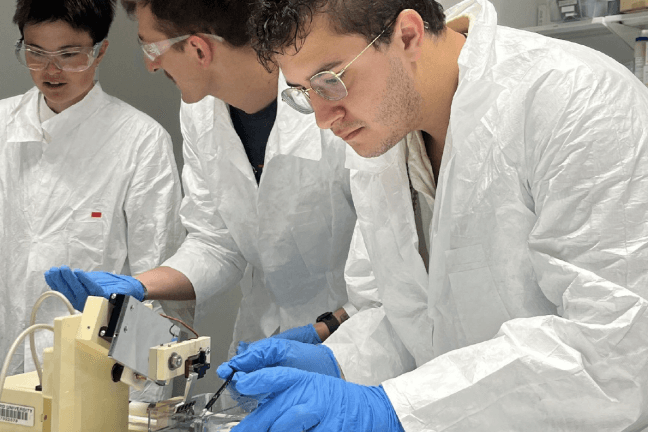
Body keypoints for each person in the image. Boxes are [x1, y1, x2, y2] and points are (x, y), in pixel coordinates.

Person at [217, 0, 648, 430]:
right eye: (304, 94)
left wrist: (389, 408)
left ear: (407, 35)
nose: (324, 121)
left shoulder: (578, 101)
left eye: (330, 81)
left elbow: (613, 351)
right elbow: (411, 315)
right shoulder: (382, 135)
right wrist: (340, 360)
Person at [45, 0, 367, 363]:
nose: (151, 65)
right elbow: (216, 243)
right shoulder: (199, 110)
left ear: (199, 48)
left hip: (361, 341)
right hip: (262, 336)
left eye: (152, 48)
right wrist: (140, 286)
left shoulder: (331, 104)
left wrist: (327, 327)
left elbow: (389, 258)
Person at [0, 0, 184, 376]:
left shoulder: (140, 141)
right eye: (36, 53)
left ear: (100, 51)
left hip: (91, 373)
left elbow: (160, 281)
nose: (52, 70)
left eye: (70, 55)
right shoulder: (3, 125)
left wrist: (146, 397)